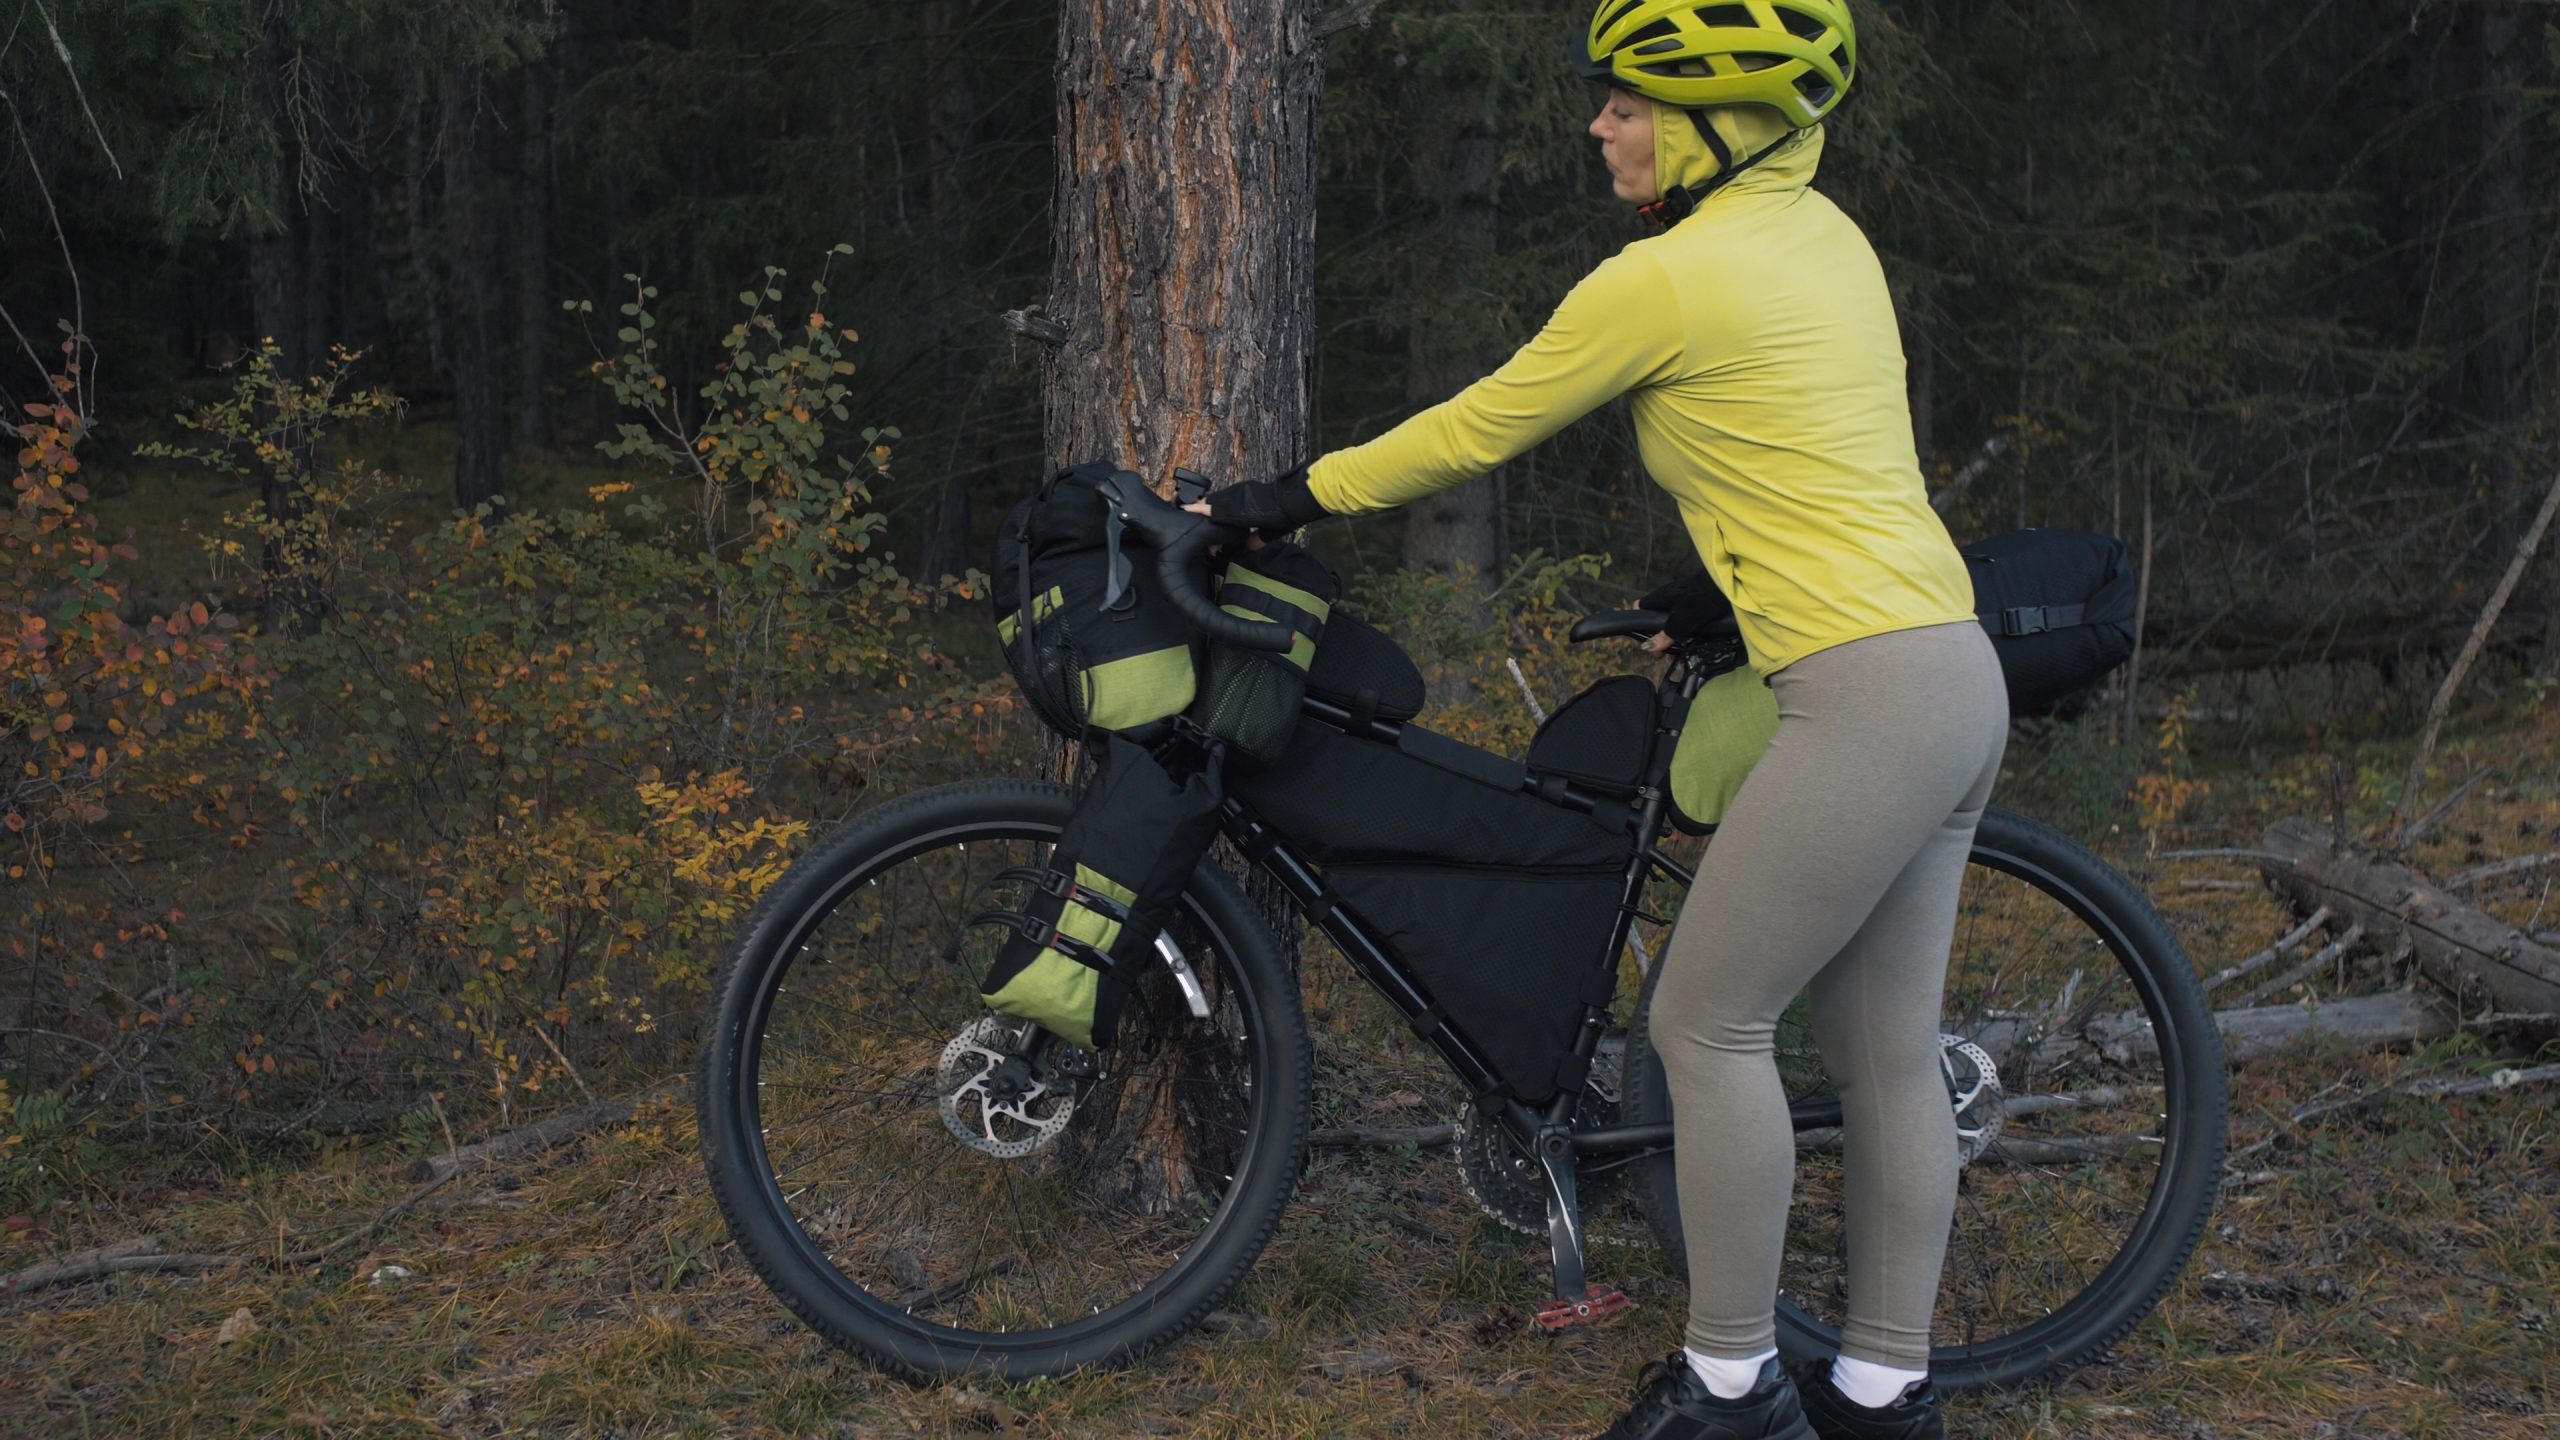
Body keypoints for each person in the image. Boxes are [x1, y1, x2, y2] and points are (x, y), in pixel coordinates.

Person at [1196, 4, 2003, 1437]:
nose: (1601, 126)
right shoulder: (1828, 240)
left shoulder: (1669, 280)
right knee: (1884, 1053)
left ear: (1715, 125)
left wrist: (1278, 498)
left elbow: (1473, 428)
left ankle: (1732, 1388)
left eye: (1629, 103)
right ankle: (1886, 1397)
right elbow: (1824, 446)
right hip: (1951, 672)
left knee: (1706, 1026)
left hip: (1861, 693)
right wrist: (1722, 585)